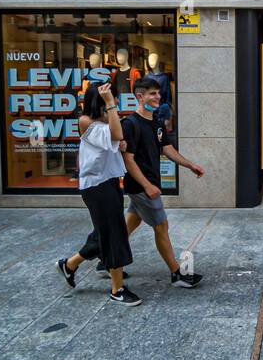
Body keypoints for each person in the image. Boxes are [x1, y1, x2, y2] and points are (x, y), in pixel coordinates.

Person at [55, 81, 142, 305]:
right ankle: (117, 289)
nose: (113, 101)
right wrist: (111, 104)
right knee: (114, 234)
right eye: (108, 97)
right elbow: (115, 133)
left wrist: (120, 143)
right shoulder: (85, 121)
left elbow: (116, 136)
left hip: (109, 182)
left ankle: (70, 264)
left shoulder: (104, 120)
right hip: (96, 186)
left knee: (105, 231)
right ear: (99, 100)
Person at [122, 76, 205, 288]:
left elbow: (167, 149)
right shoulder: (131, 124)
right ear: (140, 96)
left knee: (128, 225)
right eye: (152, 93)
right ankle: (177, 273)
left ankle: (89, 261)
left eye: (158, 93)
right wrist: (148, 186)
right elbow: (128, 160)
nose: (158, 96)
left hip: (147, 184)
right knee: (161, 225)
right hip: (142, 185)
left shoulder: (156, 122)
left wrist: (190, 165)